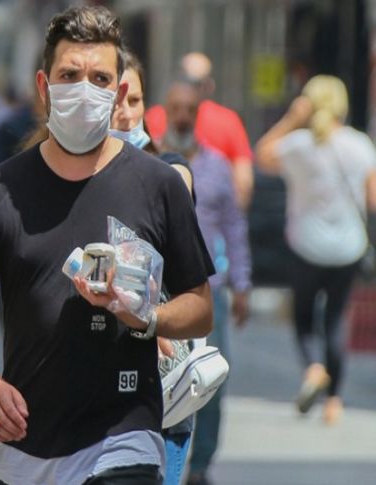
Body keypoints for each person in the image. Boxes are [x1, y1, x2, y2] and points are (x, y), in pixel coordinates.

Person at [0, 6, 215, 485]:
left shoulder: (158, 184)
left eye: (100, 77)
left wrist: (147, 316)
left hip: (125, 436)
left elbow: (199, 307)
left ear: (120, 92)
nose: (85, 89)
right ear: (44, 88)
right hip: (26, 443)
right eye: (70, 75)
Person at [255, 75, 376, 426]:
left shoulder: (298, 145)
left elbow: (262, 154)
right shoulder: (359, 145)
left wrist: (293, 118)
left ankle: (313, 368)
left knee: (305, 318)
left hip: (306, 245)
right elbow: (372, 200)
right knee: (337, 319)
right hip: (348, 248)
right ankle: (335, 401)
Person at [109, 51, 195, 485]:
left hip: (160, 367)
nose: (124, 114)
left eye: (135, 101)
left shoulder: (171, 172)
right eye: (115, 100)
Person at [160, 79, 252, 485]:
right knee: (166, 384)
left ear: (199, 114)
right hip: (164, 294)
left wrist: (242, 283)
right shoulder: (152, 164)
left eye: (189, 109)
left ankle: (200, 466)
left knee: (211, 379)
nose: (182, 115)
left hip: (208, 291)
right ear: (166, 111)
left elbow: (234, 227)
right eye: (175, 108)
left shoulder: (217, 167)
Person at [145, 52, 254, 209]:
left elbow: (243, 182)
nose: (182, 117)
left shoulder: (228, 121)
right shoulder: (153, 118)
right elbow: (244, 185)